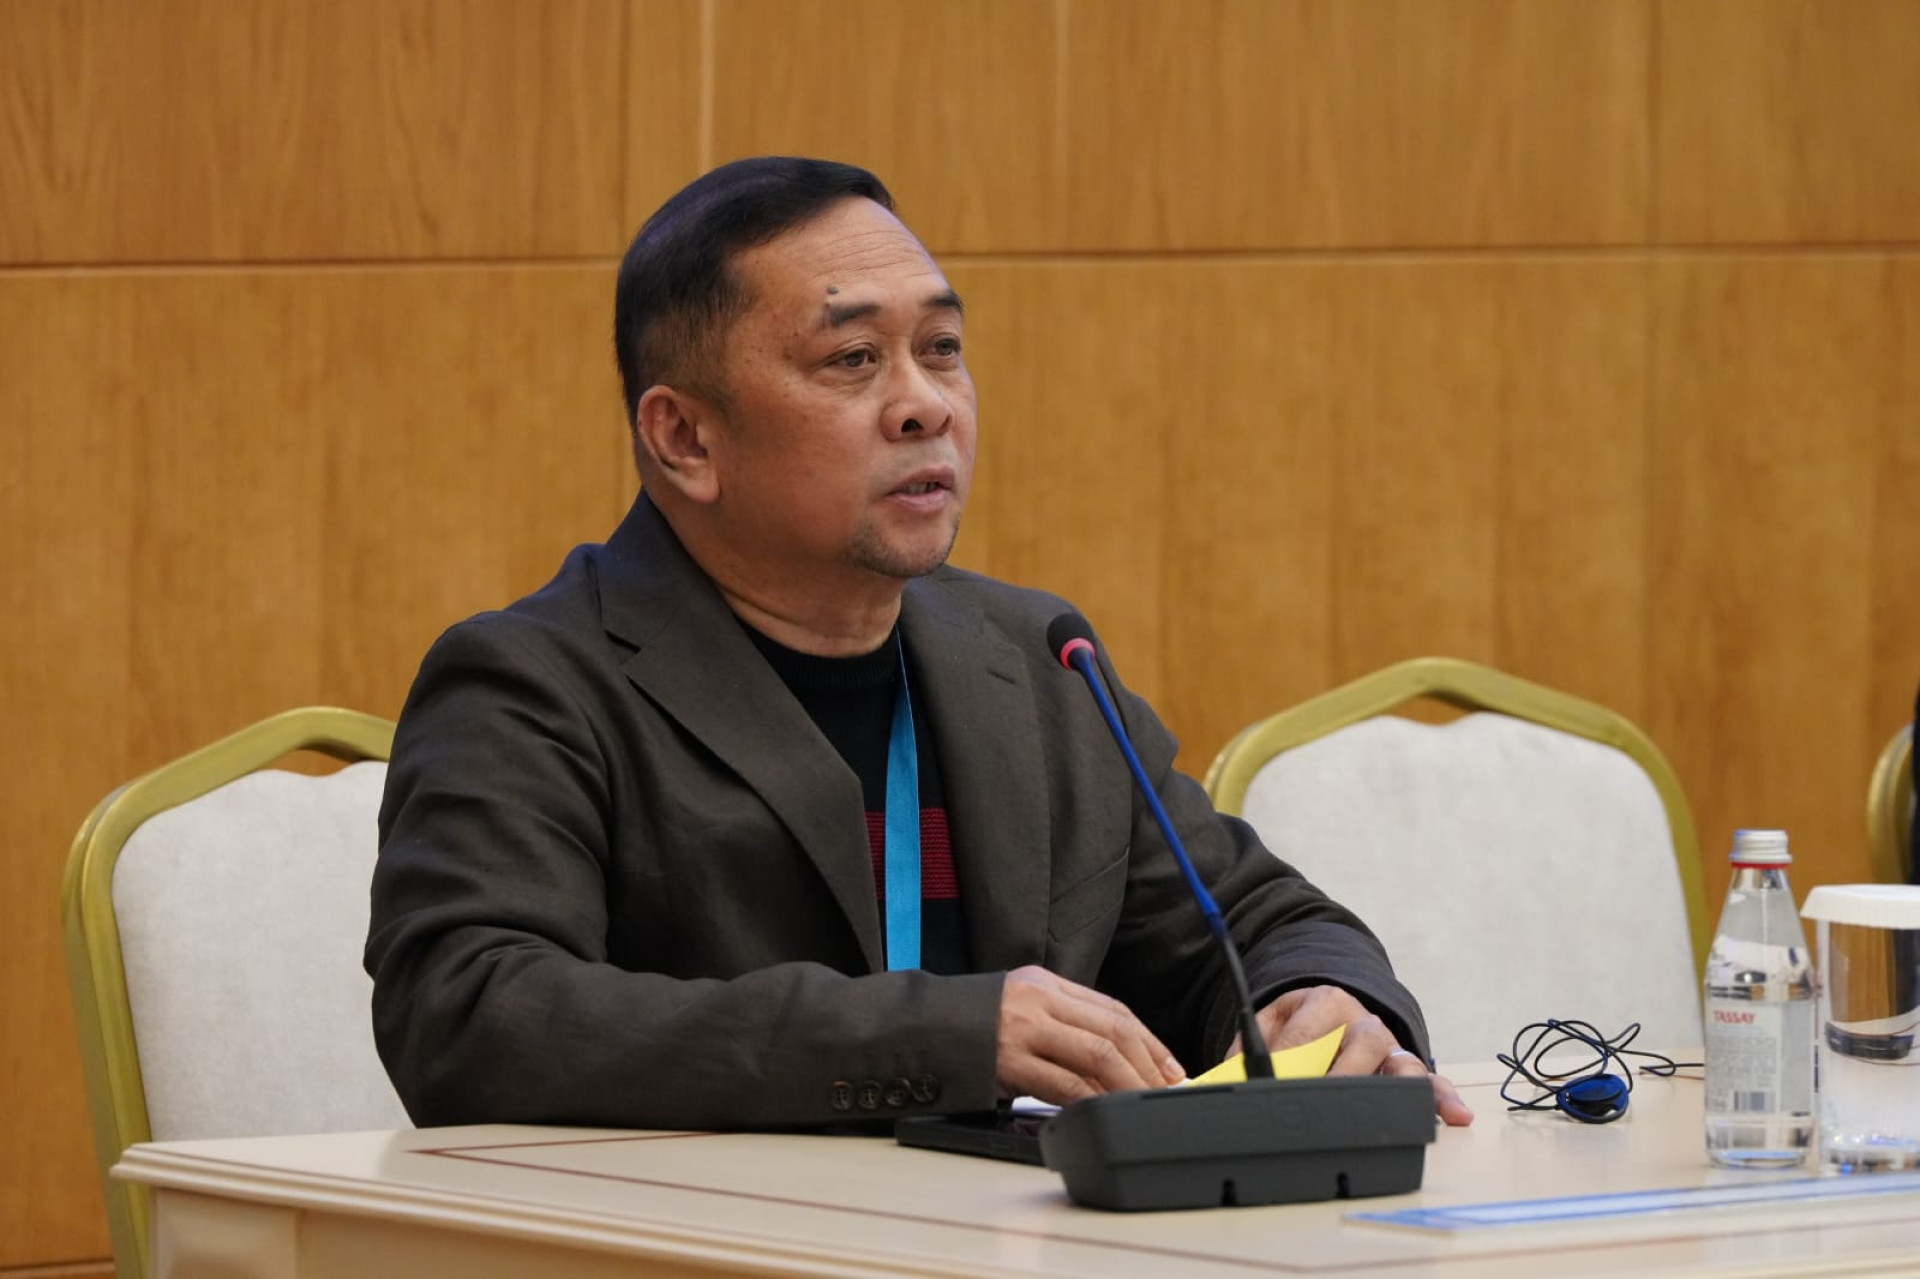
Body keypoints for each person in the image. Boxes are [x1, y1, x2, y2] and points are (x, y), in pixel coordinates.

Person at [365, 156, 1472, 1131]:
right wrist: (941, 1036)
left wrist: (1322, 999)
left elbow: (1259, 920)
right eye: (853, 359)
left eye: (941, 349)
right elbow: (469, 1012)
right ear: (686, 437)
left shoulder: (1037, 661)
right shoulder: (533, 684)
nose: (925, 406)